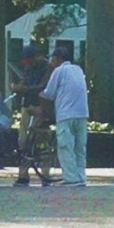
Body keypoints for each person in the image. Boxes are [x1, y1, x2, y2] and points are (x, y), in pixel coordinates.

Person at [40, 46, 88, 188]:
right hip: (82, 113)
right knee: (80, 147)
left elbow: (49, 93)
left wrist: (39, 94)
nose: (51, 62)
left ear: (58, 59)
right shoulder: (78, 69)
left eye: (52, 59)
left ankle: (71, 178)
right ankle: (81, 176)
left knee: (66, 146)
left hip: (66, 114)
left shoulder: (59, 71)